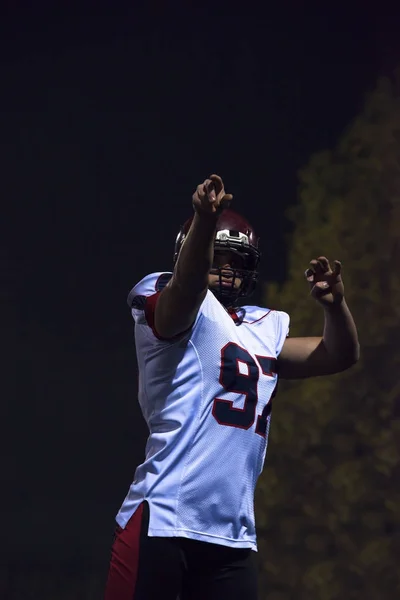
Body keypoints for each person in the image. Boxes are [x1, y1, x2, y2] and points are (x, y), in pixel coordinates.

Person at [104, 174, 359, 600]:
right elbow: (186, 289)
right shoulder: (170, 296)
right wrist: (206, 220)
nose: (226, 271)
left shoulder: (262, 327)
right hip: (163, 518)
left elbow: (339, 355)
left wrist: (336, 308)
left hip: (232, 537)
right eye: (216, 258)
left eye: (236, 263)